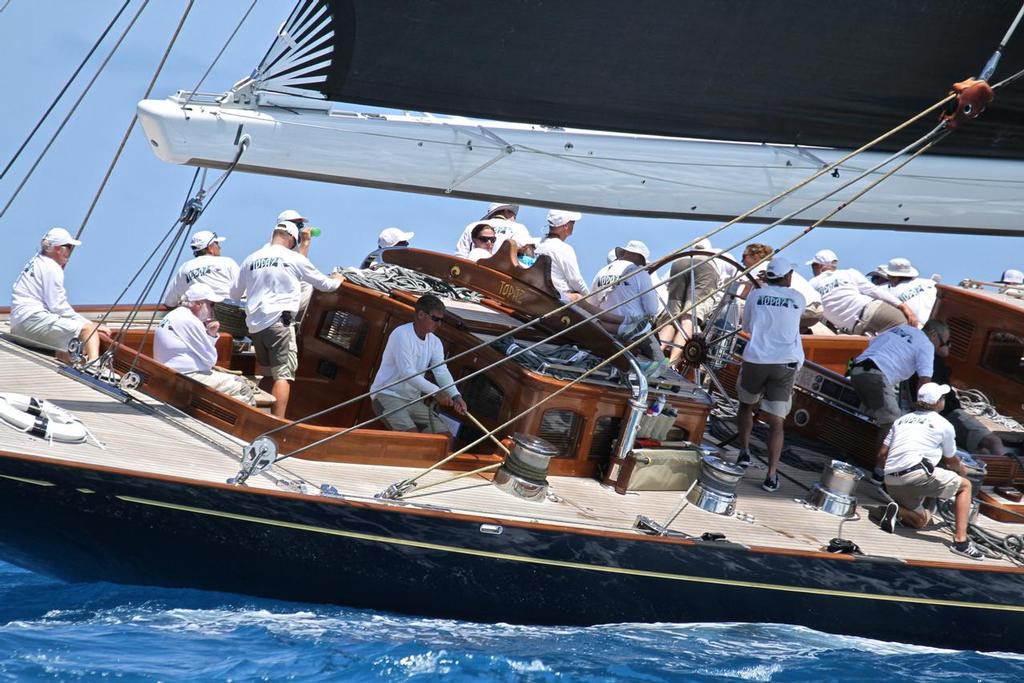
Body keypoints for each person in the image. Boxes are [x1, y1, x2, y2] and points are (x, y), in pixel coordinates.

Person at [231, 220, 344, 418]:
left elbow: (234, 294)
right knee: (283, 376)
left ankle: (258, 417)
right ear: (292, 239)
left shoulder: (251, 258)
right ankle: (277, 424)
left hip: (256, 327)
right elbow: (326, 285)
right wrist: (338, 278)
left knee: (267, 374)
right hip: (279, 325)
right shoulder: (293, 258)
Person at [874, 382, 984, 560]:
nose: (944, 400)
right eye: (943, 398)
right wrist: (962, 471)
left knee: (920, 521)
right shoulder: (943, 424)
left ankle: (892, 510)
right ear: (937, 403)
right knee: (965, 486)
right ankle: (961, 543)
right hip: (916, 476)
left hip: (891, 479)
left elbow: (882, 454)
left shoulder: (901, 420)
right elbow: (951, 460)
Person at [734, 257, 806, 492]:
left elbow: (746, 328)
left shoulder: (755, 295)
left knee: (746, 406)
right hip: (784, 364)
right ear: (787, 277)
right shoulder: (798, 297)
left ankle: (744, 453)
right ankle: (771, 475)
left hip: (756, 359)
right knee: (777, 423)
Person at [370, 294, 468, 432]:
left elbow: (441, 371)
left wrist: (455, 396)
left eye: (441, 320)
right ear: (421, 314)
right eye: (435, 319)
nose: (439, 324)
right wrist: (436, 393)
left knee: (444, 436)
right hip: (387, 394)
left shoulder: (435, 342)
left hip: (413, 401)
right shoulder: (401, 334)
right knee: (411, 436)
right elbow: (407, 373)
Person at [10, 227, 109, 362]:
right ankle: (93, 364)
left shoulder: (36, 260)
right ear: (58, 249)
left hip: (18, 327)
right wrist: (90, 325)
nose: (70, 252)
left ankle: (71, 359)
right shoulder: (52, 268)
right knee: (88, 331)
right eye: (68, 247)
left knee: (67, 346)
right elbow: (58, 306)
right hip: (32, 321)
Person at [154, 283, 255, 404]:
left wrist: (210, 334)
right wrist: (211, 336)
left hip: (170, 374)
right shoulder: (190, 321)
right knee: (240, 386)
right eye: (211, 305)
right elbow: (210, 360)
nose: (213, 310)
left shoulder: (175, 315)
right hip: (184, 377)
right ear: (198, 303)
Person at [806, 249, 918, 334]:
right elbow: (874, 291)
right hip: (873, 312)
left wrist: (902, 306)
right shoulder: (848, 273)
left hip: (857, 328)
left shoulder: (810, 285)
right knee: (913, 334)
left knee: (910, 335)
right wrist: (902, 306)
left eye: (812, 265)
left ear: (818, 266)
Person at [931, 344, 1006, 456]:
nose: (950, 346)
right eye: (947, 342)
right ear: (934, 336)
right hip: (948, 412)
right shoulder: (934, 362)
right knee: (994, 441)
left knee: (983, 451)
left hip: (944, 412)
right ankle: (1003, 470)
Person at [659, 239, 721, 365]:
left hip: (679, 263)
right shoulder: (715, 261)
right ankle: (672, 363)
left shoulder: (687, 255)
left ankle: (656, 355)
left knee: (672, 317)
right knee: (688, 319)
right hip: (706, 267)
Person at [598, 240, 663, 360]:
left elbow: (593, 304)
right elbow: (652, 309)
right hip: (634, 331)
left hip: (605, 330)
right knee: (661, 365)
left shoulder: (601, 273)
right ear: (637, 256)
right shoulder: (639, 273)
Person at [743, 243, 823, 330]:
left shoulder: (758, 267)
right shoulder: (778, 267)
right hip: (817, 311)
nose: (742, 261)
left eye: (744, 257)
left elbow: (744, 295)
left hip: (803, 310)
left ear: (755, 256)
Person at [163, 230, 240, 307]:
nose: (219, 247)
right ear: (210, 248)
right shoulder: (227, 262)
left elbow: (169, 301)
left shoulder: (185, 268)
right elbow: (243, 289)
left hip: (199, 316)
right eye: (216, 244)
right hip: (228, 314)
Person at [535, 210, 588, 301]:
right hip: (557, 299)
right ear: (566, 226)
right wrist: (588, 296)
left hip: (540, 292)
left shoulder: (538, 245)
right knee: (580, 298)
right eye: (573, 222)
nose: (573, 225)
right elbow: (575, 280)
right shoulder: (565, 249)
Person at [455, 203, 529, 257]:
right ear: (506, 211)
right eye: (514, 215)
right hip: (501, 275)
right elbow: (525, 253)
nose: (515, 218)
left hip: (472, 273)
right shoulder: (519, 227)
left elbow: (460, 256)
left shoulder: (471, 226)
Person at [880, 257, 937, 327]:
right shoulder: (930, 283)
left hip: (918, 331)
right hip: (941, 327)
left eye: (888, 276)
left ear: (894, 277)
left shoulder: (892, 293)